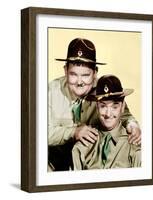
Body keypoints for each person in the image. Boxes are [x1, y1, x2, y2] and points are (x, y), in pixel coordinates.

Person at [48, 38, 141, 171]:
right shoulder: (50, 91)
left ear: (95, 73)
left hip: (89, 161)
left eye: (86, 75)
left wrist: (133, 125)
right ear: (65, 70)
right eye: (73, 74)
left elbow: (123, 112)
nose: (79, 82)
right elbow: (37, 133)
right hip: (53, 161)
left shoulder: (104, 89)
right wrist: (73, 132)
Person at [72, 75, 141, 170]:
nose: (108, 114)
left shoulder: (134, 147)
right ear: (97, 107)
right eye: (103, 106)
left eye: (114, 107)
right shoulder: (82, 147)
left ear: (122, 107)